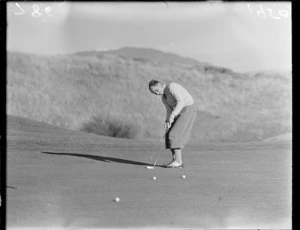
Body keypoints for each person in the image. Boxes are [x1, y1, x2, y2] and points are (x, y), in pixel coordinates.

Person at [148, 80, 197, 168]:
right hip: (179, 111)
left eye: (156, 90)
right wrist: (167, 121)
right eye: (154, 93)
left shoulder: (171, 87)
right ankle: (175, 160)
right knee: (168, 134)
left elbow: (180, 102)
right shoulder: (164, 98)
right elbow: (169, 110)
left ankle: (178, 162)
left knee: (174, 134)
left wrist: (172, 117)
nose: (156, 93)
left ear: (159, 85)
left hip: (188, 109)